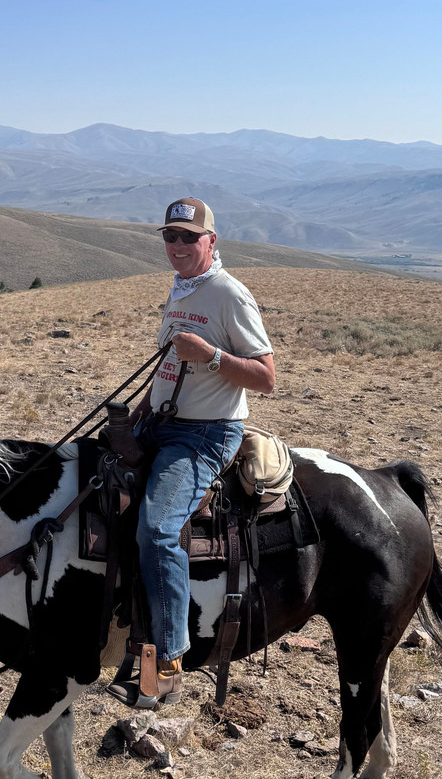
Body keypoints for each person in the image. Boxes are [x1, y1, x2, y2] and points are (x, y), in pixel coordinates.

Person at [107, 197, 275, 708]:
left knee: (158, 530)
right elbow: (166, 369)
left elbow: (267, 376)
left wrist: (212, 355)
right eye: (170, 237)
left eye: (188, 237)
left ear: (211, 241)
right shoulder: (182, 289)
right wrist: (136, 415)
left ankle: (170, 662)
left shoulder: (228, 294)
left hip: (204, 434)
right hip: (163, 423)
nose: (177, 246)